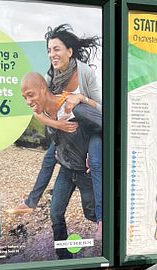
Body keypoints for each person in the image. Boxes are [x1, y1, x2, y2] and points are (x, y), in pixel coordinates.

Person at [16, 24, 103, 236]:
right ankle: (31, 202)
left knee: (95, 160)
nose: (52, 54)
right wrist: (59, 124)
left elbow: (102, 111)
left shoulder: (85, 73)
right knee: (49, 159)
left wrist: (81, 98)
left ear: (69, 51)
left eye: (56, 49)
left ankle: (101, 217)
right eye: (49, 50)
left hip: (93, 129)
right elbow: (40, 111)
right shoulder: (49, 78)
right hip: (66, 134)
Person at [19, 71, 101, 259]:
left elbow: (107, 124)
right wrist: (32, 201)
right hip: (66, 171)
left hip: (85, 172)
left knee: (91, 214)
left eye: (30, 95)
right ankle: (63, 256)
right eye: (24, 97)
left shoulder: (75, 108)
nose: (28, 101)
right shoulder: (45, 115)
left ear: (43, 88)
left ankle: (116, 229)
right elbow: (49, 160)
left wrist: (96, 152)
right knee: (55, 212)